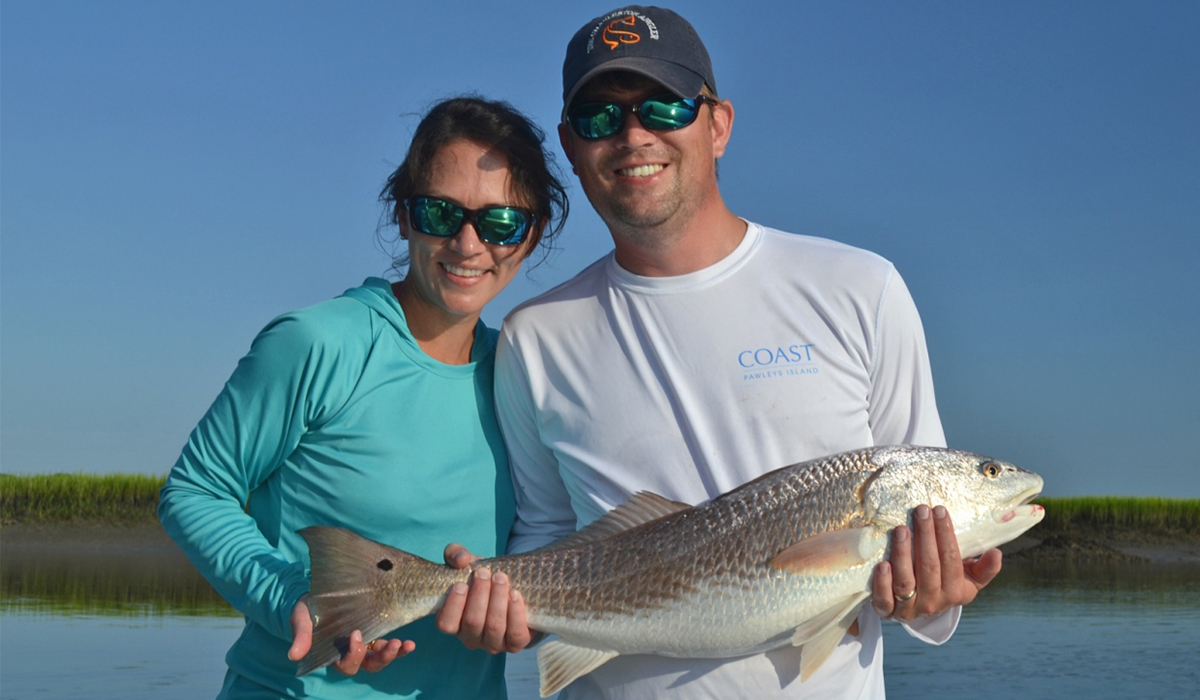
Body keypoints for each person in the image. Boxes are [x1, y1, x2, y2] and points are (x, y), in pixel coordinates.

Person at [436, 6, 1004, 699]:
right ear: (571, 146)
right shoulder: (534, 336)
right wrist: (505, 612)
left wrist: (932, 597)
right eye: (599, 117)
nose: (633, 134)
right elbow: (548, 531)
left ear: (719, 124)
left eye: (664, 106)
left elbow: (922, 534)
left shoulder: (861, 287)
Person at [158, 96, 567, 699]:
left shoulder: (521, 372)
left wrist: (520, 627)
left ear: (530, 235)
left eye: (501, 222)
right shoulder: (320, 342)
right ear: (402, 215)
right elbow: (196, 490)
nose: (468, 243)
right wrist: (292, 598)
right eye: (439, 213)